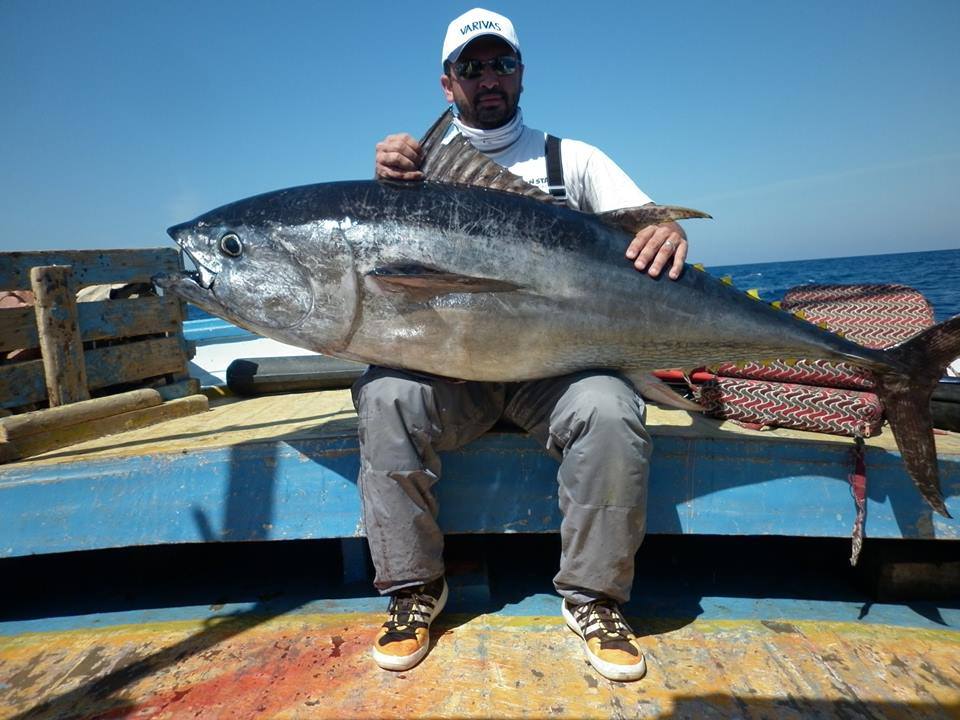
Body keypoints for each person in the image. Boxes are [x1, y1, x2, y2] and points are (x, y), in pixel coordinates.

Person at [357, 7, 690, 682]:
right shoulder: (412, 172)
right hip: (453, 380)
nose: (488, 79)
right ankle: (414, 589)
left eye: (501, 64)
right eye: (471, 68)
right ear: (446, 85)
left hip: (553, 375)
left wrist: (670, 235)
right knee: (388, 395)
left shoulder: (575, 160)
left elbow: (652, 231)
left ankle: (595, 598)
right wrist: (383, 190)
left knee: (609, 408)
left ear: (521, 74)